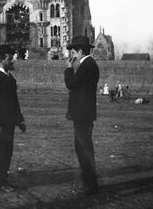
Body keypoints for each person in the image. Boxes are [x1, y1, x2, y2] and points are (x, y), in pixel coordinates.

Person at [0, 44, 26, 192]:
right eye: (10, 58)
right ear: (2, 60)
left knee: (7, 152)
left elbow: (15, 103)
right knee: (0, 153)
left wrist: (20, 120)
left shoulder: (11, 79)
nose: (13, 61)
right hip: (0, 125)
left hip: (10, 124)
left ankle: (4, 181)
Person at [64, 36, 99, 195]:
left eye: (73, 52)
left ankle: (90, 184)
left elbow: (71, 84)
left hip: (82, 114)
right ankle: (89, 183)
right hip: (83, 114)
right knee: (82, 147)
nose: (72, 55)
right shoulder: (89, 65)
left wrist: (69, 68)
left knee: (84, 148)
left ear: (79, 51)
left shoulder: (87, 65)